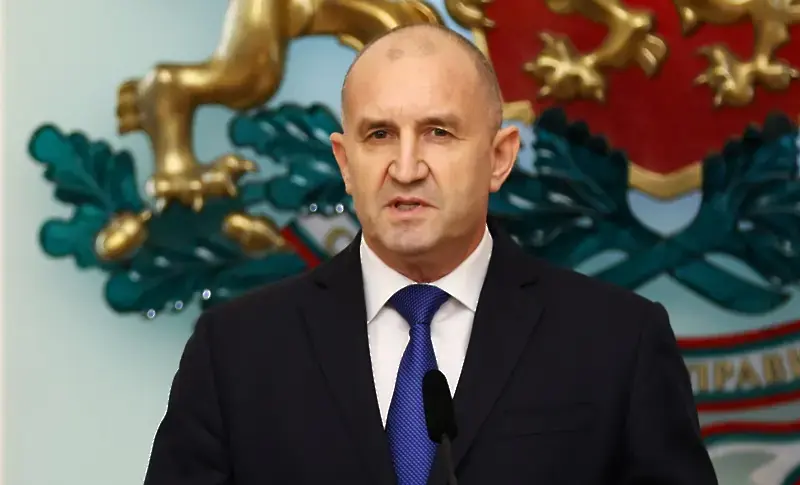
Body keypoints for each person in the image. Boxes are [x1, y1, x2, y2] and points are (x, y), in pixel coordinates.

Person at [143, 24, 718, 485]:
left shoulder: (618, 342)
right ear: (345, 163)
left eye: (438, 132)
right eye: (379, 135)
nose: (406, 167)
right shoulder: (235, 351)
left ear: (499, 157)